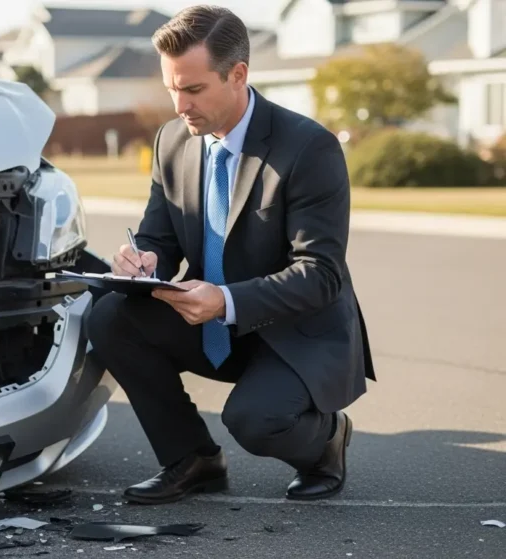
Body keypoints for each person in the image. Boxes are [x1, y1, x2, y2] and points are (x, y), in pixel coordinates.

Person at [85, 4, 376, 504]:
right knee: (111, 316)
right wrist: (142, 259)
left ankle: (327, 439)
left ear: (238, 74)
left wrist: (223, 300)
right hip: (213, 319)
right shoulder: (173, 141)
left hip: (296, 331)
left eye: (193, 89)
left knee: (255, 421)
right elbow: (159, 235)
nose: (179, 105)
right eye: (172, 87)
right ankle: (193, 458)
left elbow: (321, 274)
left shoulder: (309, 148)